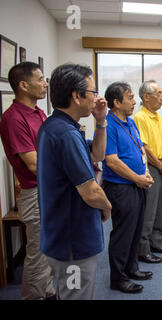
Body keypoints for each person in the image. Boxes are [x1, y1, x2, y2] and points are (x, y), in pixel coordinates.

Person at [37, 64, 112, 300]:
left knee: (68, 293)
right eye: (91, 92)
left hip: (62, 233)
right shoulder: (66, 134)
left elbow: (97, 155)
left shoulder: (57, 125)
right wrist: (107, 206)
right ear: (75, 95)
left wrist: (101, 122)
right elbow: (90, 192)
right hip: (72, 242)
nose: (95, 98)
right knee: (75, 295)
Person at [0, 62, 55, 300]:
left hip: (50, 189)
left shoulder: (39, 112)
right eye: (41, 79)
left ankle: (48, 292)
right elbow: (34, 164)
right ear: (24, 85)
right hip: (35, 193)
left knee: (51, 250)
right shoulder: (13, 118)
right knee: (38, 254)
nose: (45, 84)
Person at [103, 82, 154, 294]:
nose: (135, 101)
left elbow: (140, 148)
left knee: (136, 229)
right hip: (121, 187)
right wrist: (137, 178)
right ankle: (118, 278)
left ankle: (132, 268)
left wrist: (146, 172)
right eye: (130, 98)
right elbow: (112, 161)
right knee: (123, 233)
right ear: (116, 102)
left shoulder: (130, 122)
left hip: (138, 183)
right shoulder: (108, 125)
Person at [134, 80, 162, 264]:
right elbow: (145, 147)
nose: (161, 97)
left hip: (159, 165)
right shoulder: (140, 117)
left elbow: (159, 143)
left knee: (159, 209)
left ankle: (157, 243)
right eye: (158, 93)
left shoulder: (157, 116)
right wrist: (160, 165)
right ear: (146, 96)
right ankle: (143, 249)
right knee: (148, 211)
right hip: (151, 167)